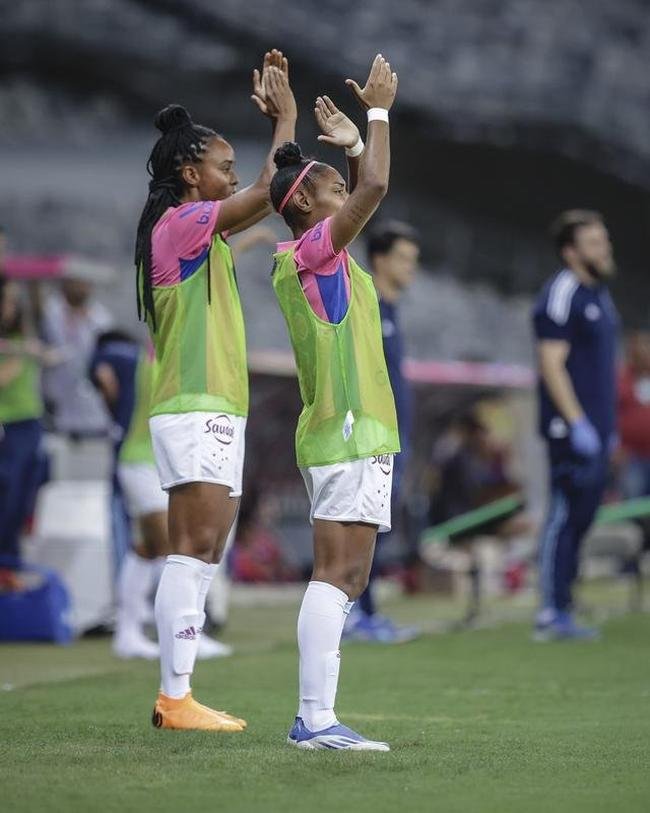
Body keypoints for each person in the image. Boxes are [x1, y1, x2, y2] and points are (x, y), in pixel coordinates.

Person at [135, 50, 296, 732]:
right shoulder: (182, 224)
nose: (232, 177)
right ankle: (174, 697)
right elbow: (271, 190)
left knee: (203, 552)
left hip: (213, 405)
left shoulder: (203, 237)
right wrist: (285, 119)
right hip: (195, 405)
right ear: (188, 173)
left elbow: (259, 196)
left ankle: (181, 693)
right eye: (223, 167)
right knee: (191, 548)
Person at [271, 55, 399, 750]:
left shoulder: (323, 255)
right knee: (335, 575)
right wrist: (377, 114)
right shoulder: (314, 252)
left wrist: (350, 149)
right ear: (306, 206)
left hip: (355, 431)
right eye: (333, 191)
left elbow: (361, 190)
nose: (346, 197)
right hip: (345, 430)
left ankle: (319, 717)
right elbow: (374, 188)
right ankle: (314, 719)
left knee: (348, 577)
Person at [532, 210, 619, 641]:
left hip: (598, 429)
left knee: (582, 517)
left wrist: (606, 427)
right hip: (569, 430)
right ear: (571, 252)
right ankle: (550, 610)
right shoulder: (562, 292)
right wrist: (577, 421)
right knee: (564, 515)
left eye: (604, 241)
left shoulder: (598, 295)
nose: (604, 249)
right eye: (594, 243)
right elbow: (551, 363)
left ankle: (564, 602)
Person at [343, 220, 420, 642]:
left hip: (393, 436)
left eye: (414, 260)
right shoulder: (366, 304)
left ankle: (366, 612)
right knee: (364, 526)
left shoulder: (390, 310)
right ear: (379, 259)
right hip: (372, 437)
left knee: (377, 528)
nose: (411, 268)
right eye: (403, 259)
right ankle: (355, 613)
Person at [0, 279, 54, 559]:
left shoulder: (24, 337)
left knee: (25, 492)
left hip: (29, 421)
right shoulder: (15, 347)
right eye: (8, 301)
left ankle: (11, 556)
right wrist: (21, 355)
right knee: (8, 492)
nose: (12, 307)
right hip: (7, 424)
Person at [41, 277, 113, 437]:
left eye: (83, 284)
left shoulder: (100, 319)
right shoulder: (51, 312)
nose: (79, 287)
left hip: (94, 415)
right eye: (74, 283)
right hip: (56, 410)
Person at [617, 330, 650, 500]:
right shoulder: (621, 379)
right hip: (631, 457)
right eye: (638, 349)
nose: (643, 353)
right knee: (633, 503)